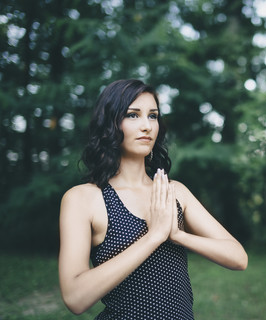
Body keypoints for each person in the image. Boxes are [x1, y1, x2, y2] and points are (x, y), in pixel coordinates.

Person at [58, 79, 248, 319]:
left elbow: (238, 258)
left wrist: (178, 235)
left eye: (153, 116)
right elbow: (75, 298)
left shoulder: (174, 192)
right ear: (110, 123)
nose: (147, 126)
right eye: (133, 115)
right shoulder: (83, 199)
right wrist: (154, 237)